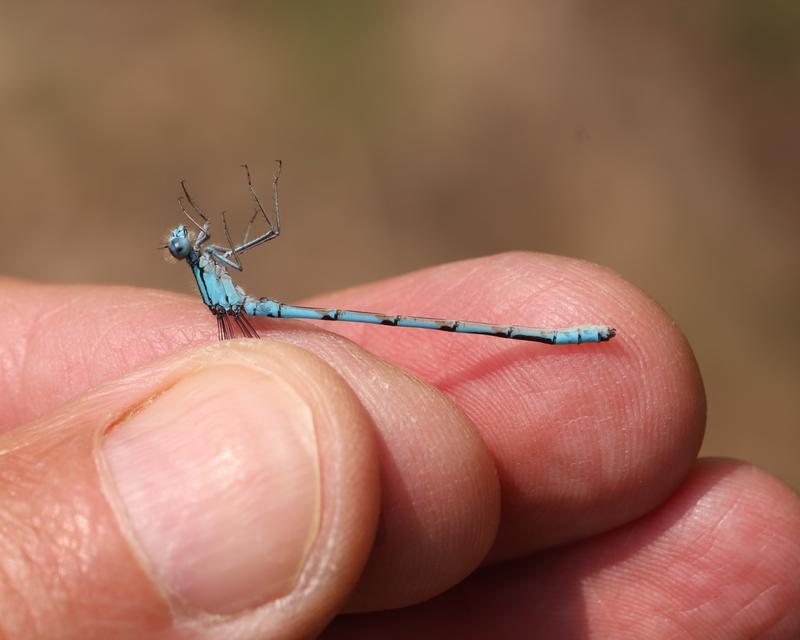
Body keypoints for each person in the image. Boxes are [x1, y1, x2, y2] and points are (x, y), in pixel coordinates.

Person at [1, 253, 798, 639]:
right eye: (190, 247)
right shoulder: (220, 296)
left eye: (191, 245)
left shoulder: (217, 280)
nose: (189, 245)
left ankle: (556, 339)